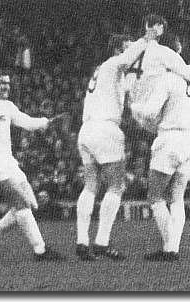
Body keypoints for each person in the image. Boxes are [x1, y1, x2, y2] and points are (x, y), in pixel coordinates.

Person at [0, 68, 67, 262]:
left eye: (8, 83)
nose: (6, 87)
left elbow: (25, 121)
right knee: (20, 202)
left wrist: (45, 122)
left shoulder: (8, 105)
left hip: (8, 160)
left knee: (30, 204)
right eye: (2, 82)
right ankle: (40, 250)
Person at [75, 33, 153, 261]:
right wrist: (146, 39)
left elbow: (132, 87)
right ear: (120, 49)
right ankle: (101, 242)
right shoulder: (112, 63)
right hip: (105, 128)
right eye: (128, 48)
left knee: (90, 185)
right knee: (116, 186)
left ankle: (81, 241)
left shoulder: (106, 72)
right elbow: (127, 60)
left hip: (87, 130)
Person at [130, 35, 190, 262]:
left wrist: (134, 107)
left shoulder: (166, 80)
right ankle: (172, 246)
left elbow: (151, 112)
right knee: (176, 197)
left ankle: (169, 247)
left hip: (170, 139)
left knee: (154, 196)